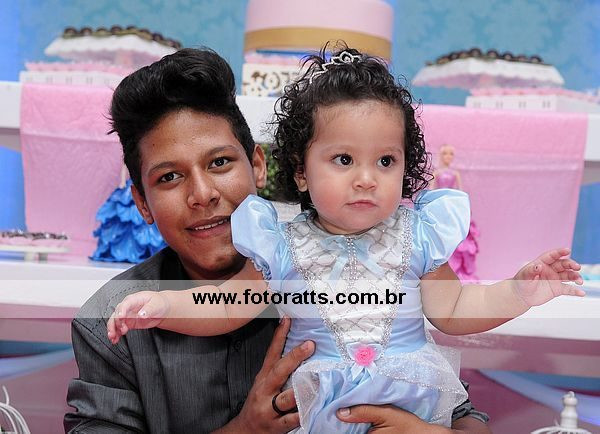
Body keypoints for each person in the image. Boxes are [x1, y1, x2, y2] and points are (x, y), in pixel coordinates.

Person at [106, 46, 584, 432]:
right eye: (343, 160)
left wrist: (519, 291)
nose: (366, 179)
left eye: (385, 161)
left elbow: (456, 309)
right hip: (323, 407)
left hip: (411, 402)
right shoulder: (282, 246)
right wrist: (164, 305)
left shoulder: (418, 235)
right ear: (301, 172)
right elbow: (228, 306)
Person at [431, 144, 479, 281]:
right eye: (445, 153)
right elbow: (431, 190)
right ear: (441, 156)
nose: (448, 157)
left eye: (451, 153)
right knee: (441, 238)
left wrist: (463, 207)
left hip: (453, 208)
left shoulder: (455, 173)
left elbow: (460, 191)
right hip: (441, 208)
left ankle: (457, 272)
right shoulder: (436, 173)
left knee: (457, 239)